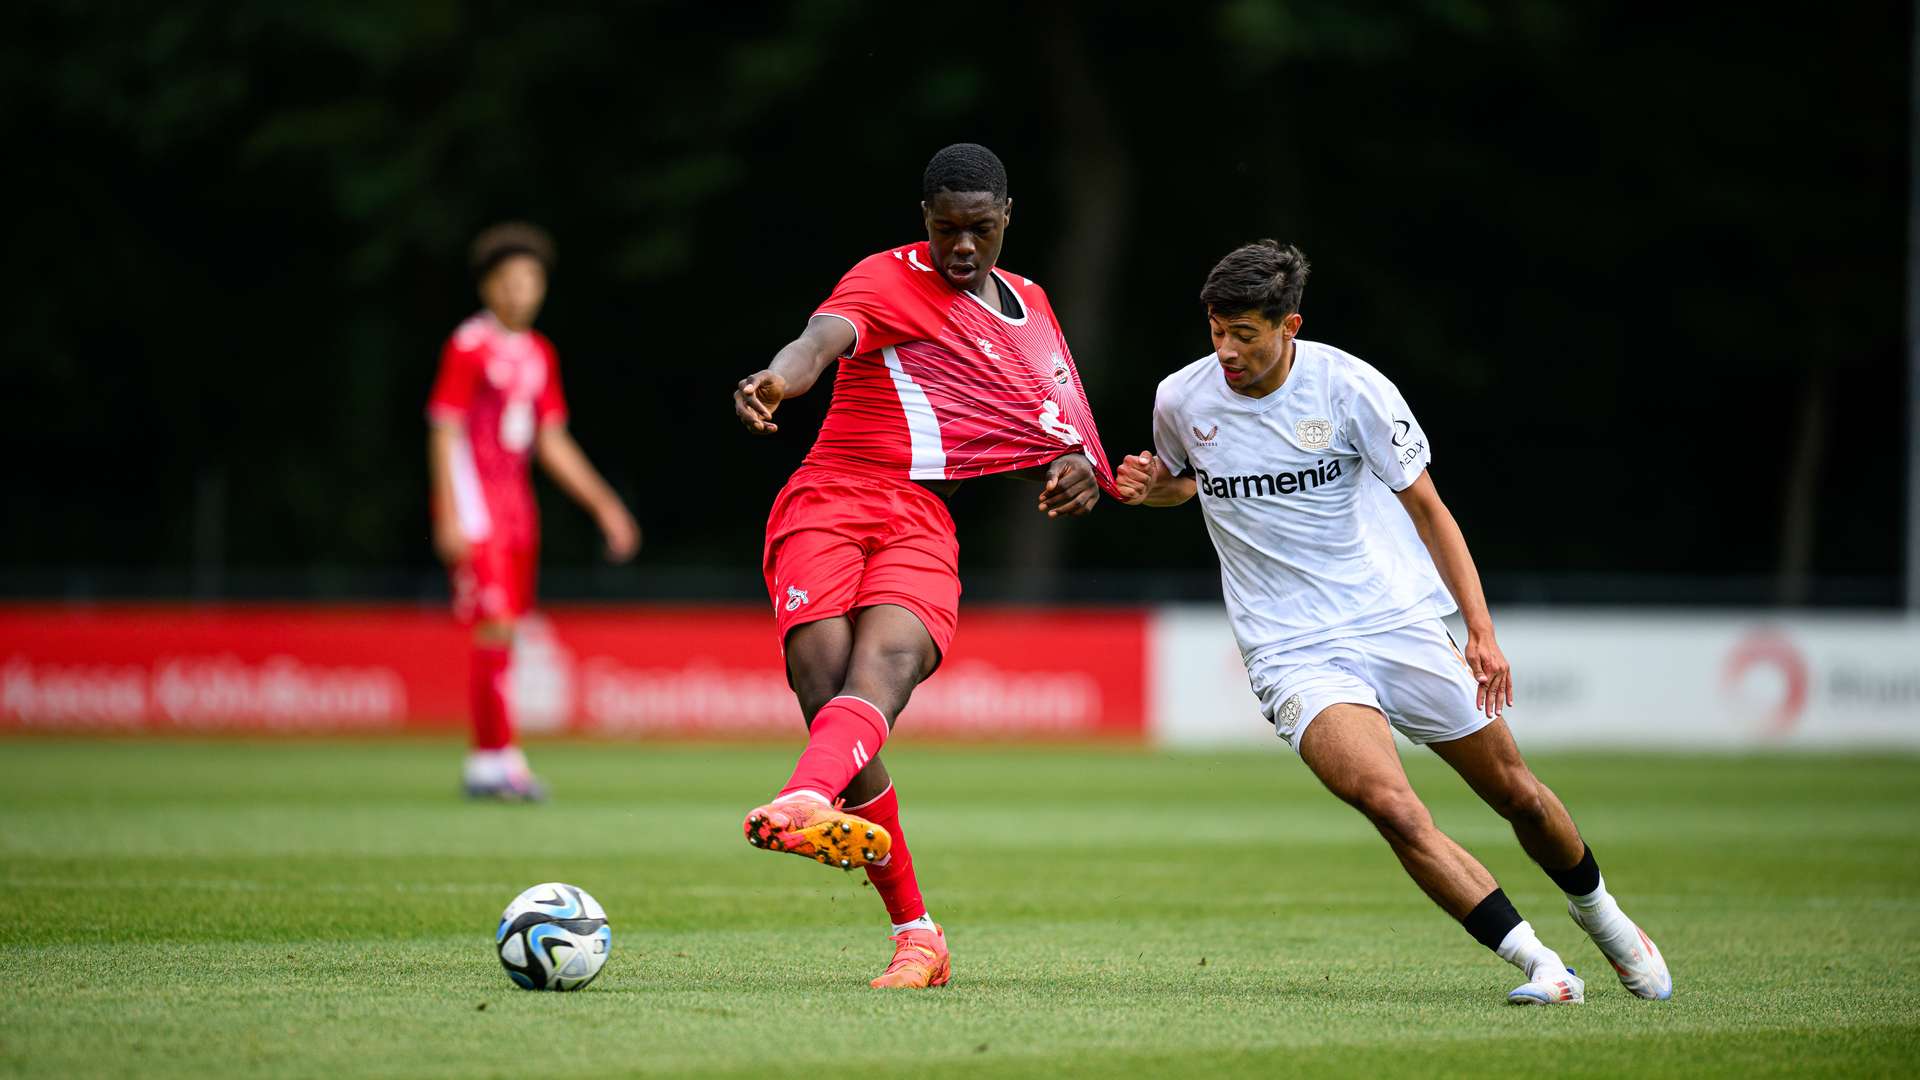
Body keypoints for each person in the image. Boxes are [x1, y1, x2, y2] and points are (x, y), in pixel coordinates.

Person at [1113, 240, 1671, 1006]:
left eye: (1245, 333)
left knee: (1516, 793)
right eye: (1216, 331)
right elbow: (1184, 485)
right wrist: (1149, 491)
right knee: (1392, 806)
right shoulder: (1182, 398)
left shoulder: (1351, 388)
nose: (1227, 350)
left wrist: (1479, 630)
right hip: (1289, 647)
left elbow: (1429, 511)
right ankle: (1543, 965)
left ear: (1290, 326)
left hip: (1394, 618)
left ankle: (1607, 924)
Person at [731, 143, 1114, 988]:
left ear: (1007, 217)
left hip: (916, 517)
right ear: (925, 223)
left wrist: (1085, 467)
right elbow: (819, 339)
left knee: (887, 668)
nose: (963, 248)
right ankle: (920, 934)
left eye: (980, 229)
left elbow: (1063, 417)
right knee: (823, 682)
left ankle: (807, 803)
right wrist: (777, 381)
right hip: (829, 497)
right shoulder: (886, 277)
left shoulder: (1034, 308)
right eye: (947, 230)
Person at [426, 222, 639, 801]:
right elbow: (444, 429)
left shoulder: (539, 352)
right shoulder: (468, 346)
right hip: (477, 506)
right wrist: (447, 512)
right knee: (492, 623)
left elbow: (552, 441)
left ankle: (487, 760)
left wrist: (604, 505)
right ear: (488, 288)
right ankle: (500, 761)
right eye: (509, 281)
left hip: (517, 508)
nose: (521, 291)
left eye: (531, 280)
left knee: (508, 631)